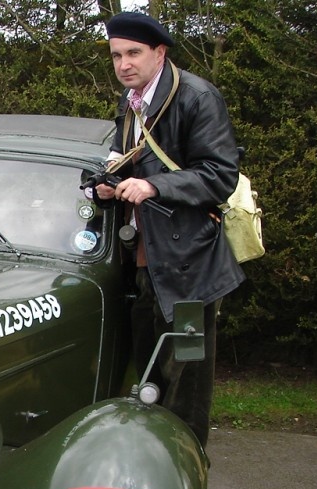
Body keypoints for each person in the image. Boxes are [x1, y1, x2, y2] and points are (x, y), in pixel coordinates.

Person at [94, 11, 246, 449]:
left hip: (190, 266)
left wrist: (153, 184)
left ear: (159, 52)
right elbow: (122, 156)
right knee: (150, 375)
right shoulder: (132, 101)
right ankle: (155, 463)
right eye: (117, 55)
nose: (124, 64)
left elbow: (220, 175)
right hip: (146, 262)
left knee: (187, 386)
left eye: (134, 53)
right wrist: (109, 185)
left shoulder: (197, 97)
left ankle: (188, 471)